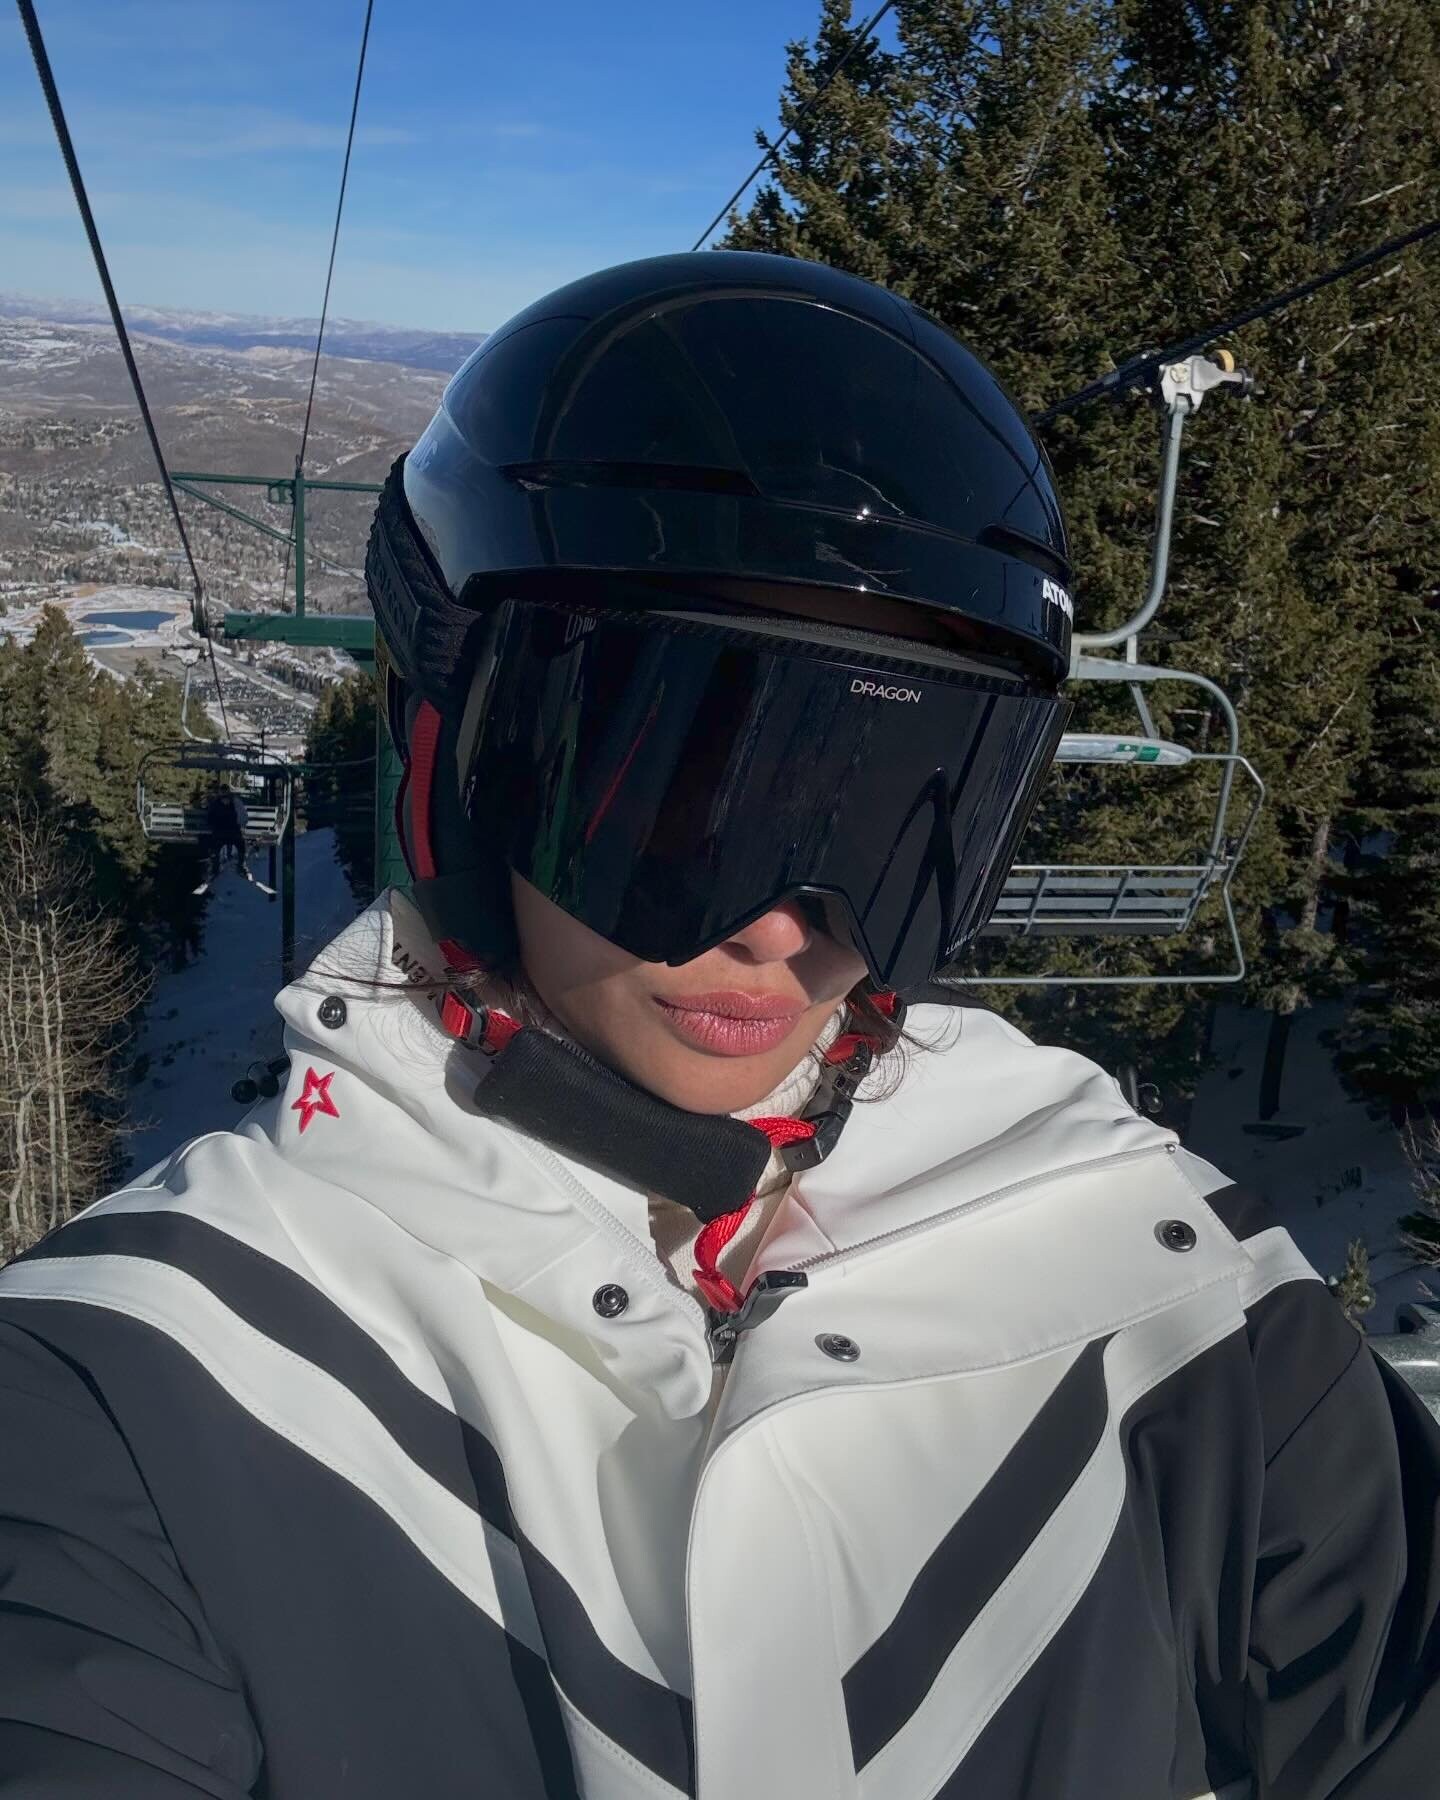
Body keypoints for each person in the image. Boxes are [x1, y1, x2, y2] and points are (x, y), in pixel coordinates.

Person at [1, 252, 1437, 1800]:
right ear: (461, 776)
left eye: (885, 828)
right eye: (680, 800)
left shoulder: (1178, 1292)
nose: (780, 929)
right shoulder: (145, 1375)